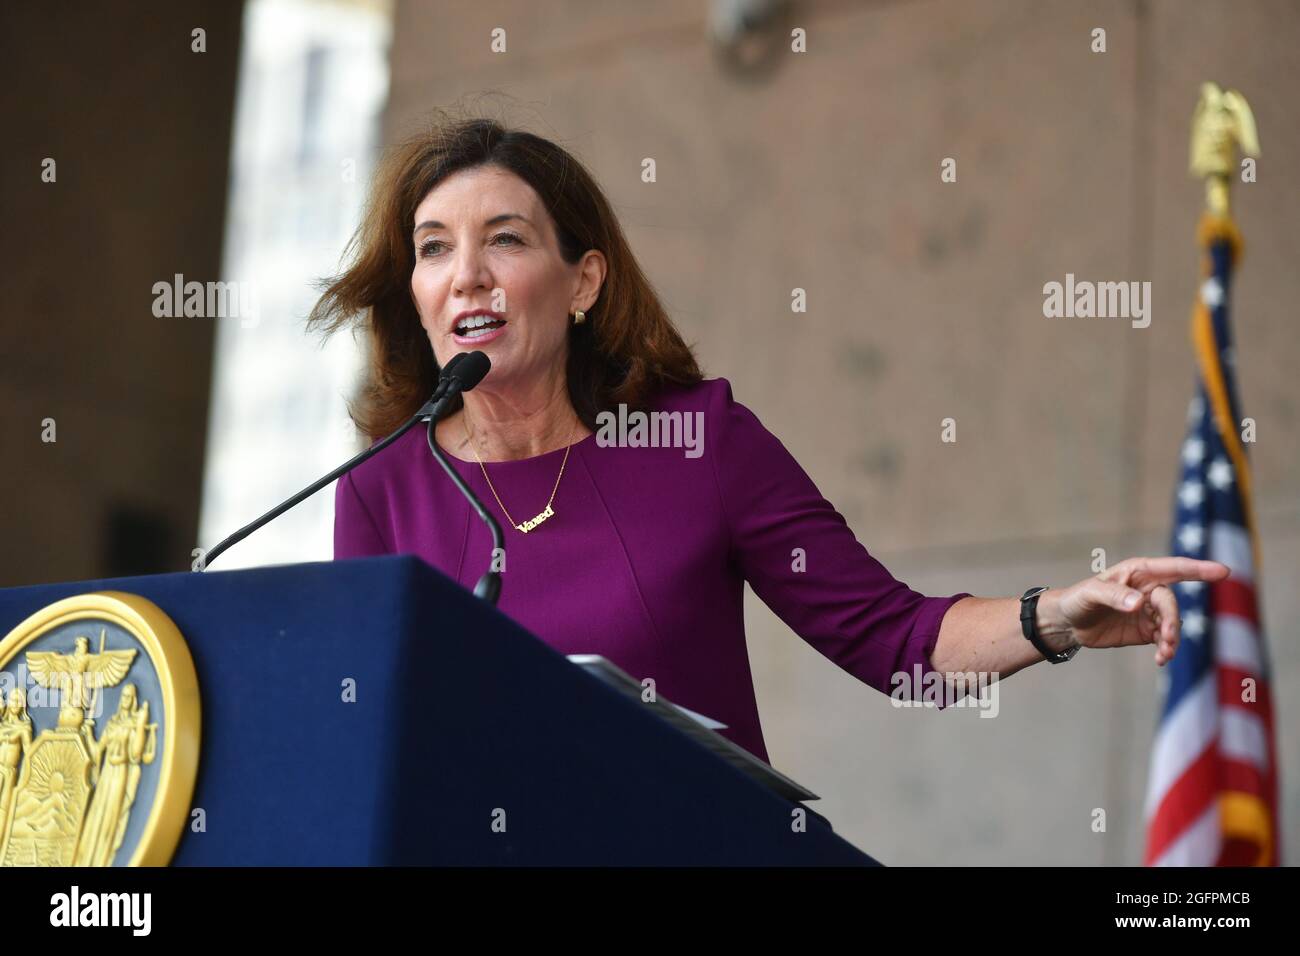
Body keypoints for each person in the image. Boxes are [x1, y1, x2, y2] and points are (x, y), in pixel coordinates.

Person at [313, 115, 1227, 764]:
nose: (465, 275)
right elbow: (361, 732)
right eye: (433, 249)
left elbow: (895, 640)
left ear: (582, 282)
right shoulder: (381, 490)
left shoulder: (697, 447)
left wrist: (1051, 616)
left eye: (503, 241)